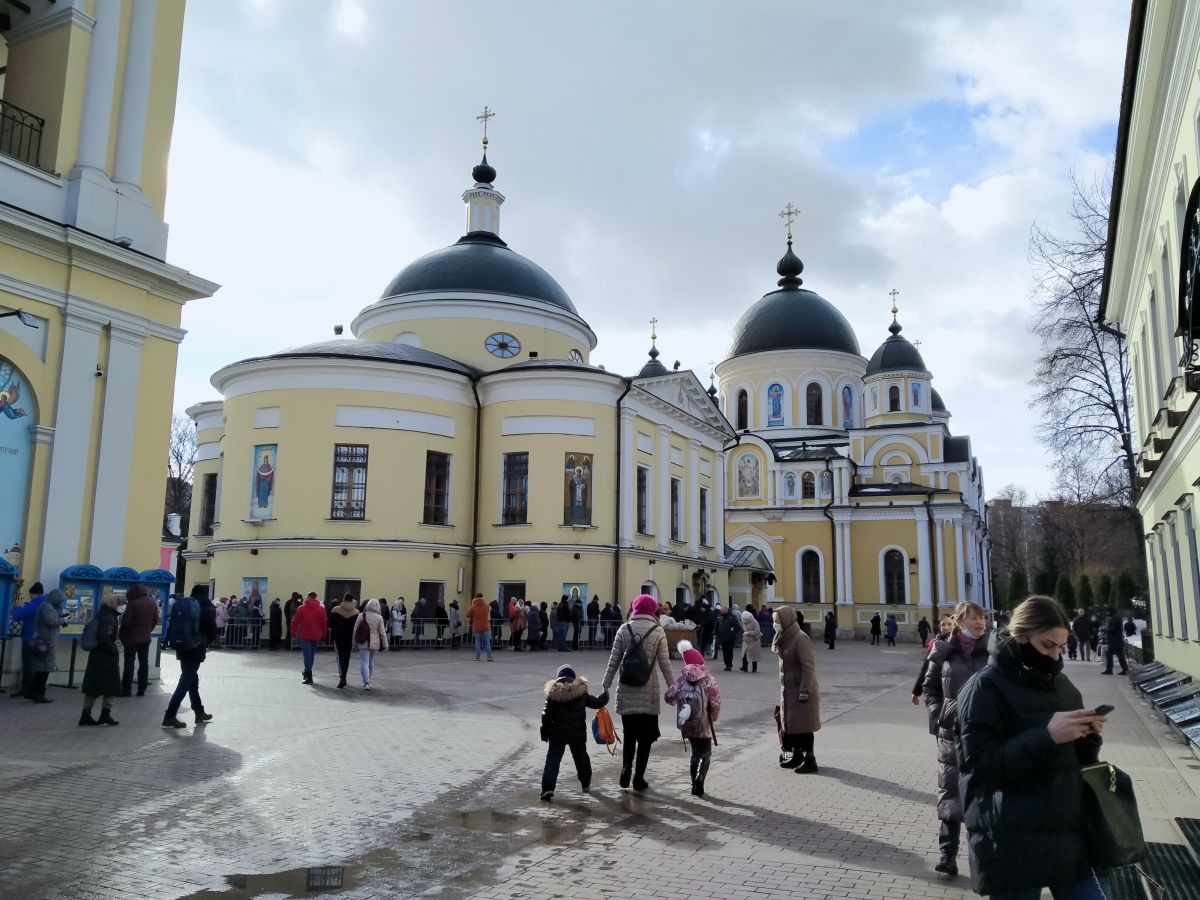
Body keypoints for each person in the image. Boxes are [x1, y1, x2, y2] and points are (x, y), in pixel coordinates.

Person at [957, 596, 1109, 898]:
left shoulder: (1062, 684)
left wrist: (1088, 735)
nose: (1055, 656)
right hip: (1013, 840)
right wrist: (1047, 736)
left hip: (1069, 834)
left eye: (1061, 647)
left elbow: (1076, 760)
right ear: (1020, 638)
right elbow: (984, 766)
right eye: (1047, 645)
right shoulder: (983, 688)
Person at [922, 601, 990, 877]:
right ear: (960, 621)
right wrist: (940, 714)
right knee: (950, 794)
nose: (979, 622)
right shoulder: (943, 651)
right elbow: (929, 687)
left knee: (982, 797)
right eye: (973, 618)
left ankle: (983, 860)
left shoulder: (993, 652)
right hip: (951, 733)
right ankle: (947, 855)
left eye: (982, 618)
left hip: (985, 734)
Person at [601, 594, 674, 791]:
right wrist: (672, 686)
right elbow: (665, 664)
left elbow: (613, 661)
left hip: (626, 690)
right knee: (646, 738)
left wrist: (605, 685)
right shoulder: (658, 631)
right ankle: (638, 778)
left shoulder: (624, 629)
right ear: (653, 611)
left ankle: (626, 768)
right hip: (649, 692)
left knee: (630, 734)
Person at [539, 664, 608, 801]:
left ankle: (547, 789)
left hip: (557, 733)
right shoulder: (581, 692)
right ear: (573, 678)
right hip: (577, 733)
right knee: (581, 757)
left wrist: (545, 731)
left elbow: (545, 715)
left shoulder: (553, 694)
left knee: (553, 759)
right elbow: (597, 702)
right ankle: (586, 783)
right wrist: (605, 695)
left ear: (558, 678)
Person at [665, 640, 722, 797]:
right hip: (704, 723)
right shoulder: (709, 680)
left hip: (688, 723)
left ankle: (693, 782)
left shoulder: (682, 679)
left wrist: (677, 701)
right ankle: (700, 779)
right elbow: (715, 703)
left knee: (695, 752)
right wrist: (713, 717)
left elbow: (669, 697)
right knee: (706, 753)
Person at [161, 584, 217, 728]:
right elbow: (211, 628)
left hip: (182, 646)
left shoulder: (185, 605)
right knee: (186, 681)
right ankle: (170, 715)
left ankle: (199, 712)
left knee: (192, 679)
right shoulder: (205, 606)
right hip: (196, 646)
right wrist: (206, 641)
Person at [774, 605, 821, 773]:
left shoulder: (801, 639)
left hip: (802, 691)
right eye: (775, 621)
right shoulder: (784, 637)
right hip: (789, 690)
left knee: (804, 726)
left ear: (787, 620)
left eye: (778, 621)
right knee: (792, 724)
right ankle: (797, 754)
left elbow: (808, 667)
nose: (776, 624)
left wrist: (804, 690)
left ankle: (810, 758)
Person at [80, 594, 123, 726]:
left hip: (96, 657)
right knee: (111, 687)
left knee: (93, 688)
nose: (120, 603)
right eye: (117, 601)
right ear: (111, 603)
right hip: (107, 658)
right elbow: (104, 638)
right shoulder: (110, 618)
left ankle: (85, 715)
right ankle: (105, 714)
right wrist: (114, 650)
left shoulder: (101, 614)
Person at [26, 589, 67, 703]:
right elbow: (51, 621)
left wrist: (60, 614)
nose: (61, 603)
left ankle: (35, 692)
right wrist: (62, 619)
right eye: (60, 600)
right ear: (56, 598)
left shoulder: (49, 606)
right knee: (43, 669)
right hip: (45, 643)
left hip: (46, 642)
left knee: (42, 669)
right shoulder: (47, 606)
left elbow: (54, 618)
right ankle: (39, 694)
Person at [119, 583, 159, 697]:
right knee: (144, 664)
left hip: (131, 639)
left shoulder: (132, 604)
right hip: (145, 638)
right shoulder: (152, 603)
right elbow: (155, 620)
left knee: (129, 664)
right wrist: (148, 630)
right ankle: (142, 689)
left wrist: (122, 636)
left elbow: (126, 622)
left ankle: (126, 689)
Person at [10, 581, 45, 699]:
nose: (30, 596)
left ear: (34, 593)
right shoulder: (45, 603)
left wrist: (18, 607)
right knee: (32, 665)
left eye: (30, 594)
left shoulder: (35, 604)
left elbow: (18, 615)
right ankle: (30, 689)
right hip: (38, 640)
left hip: (29, 639)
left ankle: (27, 689)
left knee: (28, 665)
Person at [912, 617, 954, 704]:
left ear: (955, 625)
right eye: (943, 624)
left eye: (949, 624)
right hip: (938, 690)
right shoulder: (935, 644)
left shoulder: (963, 644)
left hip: (956, 690)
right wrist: (916, 691)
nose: (946, 627)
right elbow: (926, 669)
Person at [291, 591, 327, 684]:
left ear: (308, 597)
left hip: (305, 635)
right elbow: (324, 624)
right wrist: (323, 637)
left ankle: (308, 675)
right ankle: (307, 672)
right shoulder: (321, 609)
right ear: (315, 598)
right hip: (316, 636)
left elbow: (295, 622)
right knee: (311, 655)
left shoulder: (301, 608)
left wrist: (293, 634)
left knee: (307, 656)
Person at [353, 598, 388, 689]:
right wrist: (385, 645)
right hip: (375, 643)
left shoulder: (361, 615)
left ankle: (366, 682)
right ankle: (369, 680)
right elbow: (382, 633)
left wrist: (354, 643)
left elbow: (355, 630)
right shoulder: (379, 618)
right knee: (371, 662)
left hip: (363, 642)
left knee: (364, 662)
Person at [327, 594, 359, 689]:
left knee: (340, 657)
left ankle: (342, 677)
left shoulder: (335, 610)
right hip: (350, 638)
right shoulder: (356, 612)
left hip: (338, 637)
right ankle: (344, 675)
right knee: (346, 657)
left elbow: (329, 624)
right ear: (352, 600)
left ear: (343, 599)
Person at [1101, 607, 1129, 675]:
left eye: (1108, 612)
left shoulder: (1115, 618)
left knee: (1119, 655)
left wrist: (1104, 629)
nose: (1107, 613)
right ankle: (1110, 669)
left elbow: (1113, 629)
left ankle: (1123, 669)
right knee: (1112, 654)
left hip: (1115, 641)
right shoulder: (1116, 617)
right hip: (1115, 640)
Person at [466, 593, 494, 661]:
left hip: (477, 627)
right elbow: (487, 612)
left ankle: (477, 657)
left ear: (475, 598)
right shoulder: (487, 606)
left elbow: (467, 615)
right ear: (482, 597)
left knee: (477, 642)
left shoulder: (474, 606)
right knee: (487, 642)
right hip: (485, 626)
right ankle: (489, 657)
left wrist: (472, 604)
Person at [716, 603, 742, 671]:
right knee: (724, 651)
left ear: (727, 610)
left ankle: (729, 665)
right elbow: (717, 626)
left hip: (730, 638)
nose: (722, 612)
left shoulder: (732, 617)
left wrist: (732, 633)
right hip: (722, 637)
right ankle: (726, 664)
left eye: (723, 611)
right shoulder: (720, 616)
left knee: (729, 651)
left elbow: (737, 627)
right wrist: (716, 634)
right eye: (721, 611)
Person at [739, 608, 761, 673]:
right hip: (746, 641)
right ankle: (744, 667)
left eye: (746, 619)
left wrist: (748, 633)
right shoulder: (743, 621)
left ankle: (754, 668)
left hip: (754, 641)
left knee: (754, 655)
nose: (744, 620)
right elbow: (743, 628)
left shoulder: (755, 622)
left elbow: (757, 632)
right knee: (745, 655)